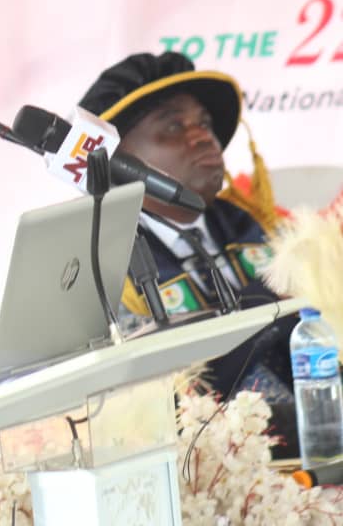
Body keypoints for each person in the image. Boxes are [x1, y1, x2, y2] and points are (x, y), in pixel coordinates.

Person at [78, 51, 298, 457]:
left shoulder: (248, 222)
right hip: (213, 470)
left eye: (205, 123)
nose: (202, 137)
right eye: (174, 126)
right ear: (118, 160)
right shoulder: (103, 266)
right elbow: (153, 400)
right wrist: (262, 307)